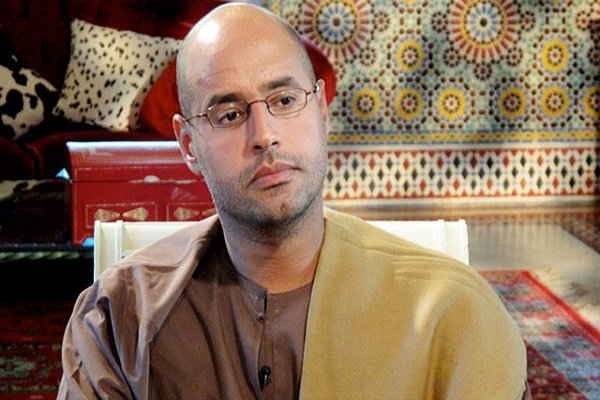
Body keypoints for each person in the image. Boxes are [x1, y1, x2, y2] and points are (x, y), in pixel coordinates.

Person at [58, 3, 530, 399]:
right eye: (229, 114)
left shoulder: (455, 315)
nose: (264, 135)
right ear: (188, 145)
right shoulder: (120, 318)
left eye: (284, 100)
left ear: (321, 110)